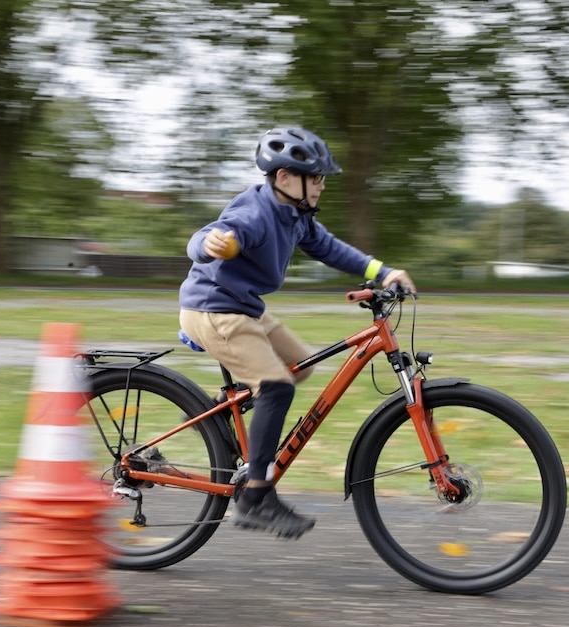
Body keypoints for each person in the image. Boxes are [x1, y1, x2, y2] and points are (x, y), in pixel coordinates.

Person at [178, 126, 416, 539]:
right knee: (275, 387)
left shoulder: (296, 215)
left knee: (299, 367)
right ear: (285, 178)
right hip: (214, 310)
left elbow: (329, 248)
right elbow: (206, 237)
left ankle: (212, 418)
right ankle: (256, 498)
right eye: (317, 178)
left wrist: (383, 271)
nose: (322, 186)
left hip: (244, 309)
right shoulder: (253, 214)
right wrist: (212, 244)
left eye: (322, 178)